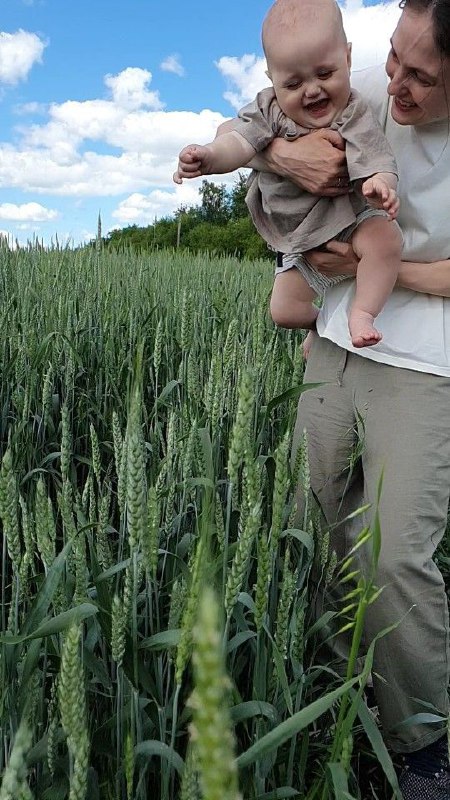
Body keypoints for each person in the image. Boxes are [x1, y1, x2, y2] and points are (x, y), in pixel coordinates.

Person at [248, 0, 450, 797]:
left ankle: (419, 742)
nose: (394, 83)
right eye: (394, 57)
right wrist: (283, 156)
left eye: (421, 76)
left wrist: (372, 267)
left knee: (393, 553)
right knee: (315, 525)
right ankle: (333, 698)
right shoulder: (359, 80)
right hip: (333, 343)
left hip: (428, 362)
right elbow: (265, 117)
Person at [173, 0, 403, 349]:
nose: (312, 90)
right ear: (272, 80)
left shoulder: (354, 112)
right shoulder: (269, 110)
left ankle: (362, 313)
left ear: (347, 58)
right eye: (293, 84)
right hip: (296, 235)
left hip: (349, 220)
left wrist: (381, 183)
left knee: (386, 239)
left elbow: (377, 157)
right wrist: (209, 156)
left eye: (324, 74)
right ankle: (320, 325)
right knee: (283, 312)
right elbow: (238, 141)